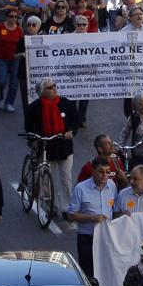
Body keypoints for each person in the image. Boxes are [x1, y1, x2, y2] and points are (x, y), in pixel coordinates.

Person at [25, 79, 81, 215]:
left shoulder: (66, 104)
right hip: (46, 147)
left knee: (66, 178)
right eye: (49, 87)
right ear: (41, 92)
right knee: (45, 179)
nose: (53, 89)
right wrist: (33, 140)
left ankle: (67, 208)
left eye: (54, 86)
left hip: (64, 147)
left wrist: (71, 132)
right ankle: (50, 205)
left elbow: (75, 121)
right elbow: (29, 127)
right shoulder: (34, 108)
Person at [69, 158, 119, 278]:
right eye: (101, 171)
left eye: (108, 172)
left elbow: (115, 210)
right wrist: (92, 218)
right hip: (87, 239)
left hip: (106, 238)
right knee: (88, 273)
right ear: (93, 171)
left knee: (106, 273)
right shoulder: (80, 189)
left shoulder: (112, 186)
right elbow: (71, 215)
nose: (104, 175)